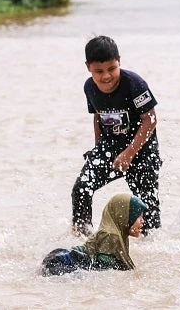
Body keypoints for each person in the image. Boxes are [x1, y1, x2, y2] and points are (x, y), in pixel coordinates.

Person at [71, 36, 162, 237]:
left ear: (119, 60)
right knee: (81, 188)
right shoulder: (89, 87)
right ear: (88, 67)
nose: (106, 76)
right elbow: (97, 117)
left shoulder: (134, 83)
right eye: (99, 71)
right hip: (110, 146)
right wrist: (97, 149)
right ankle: (83, 238)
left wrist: (129, 153)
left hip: (142, 149)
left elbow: (151, 120)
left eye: (112, 69)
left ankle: (152, 249)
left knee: (147, 207)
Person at [42, 194, 148, 276]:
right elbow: (103, 269)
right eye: (139, 217)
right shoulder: (111, 235)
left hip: (61, 258)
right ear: (125, 217)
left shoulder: (116, 233)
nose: (143, 221)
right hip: (60, 263)